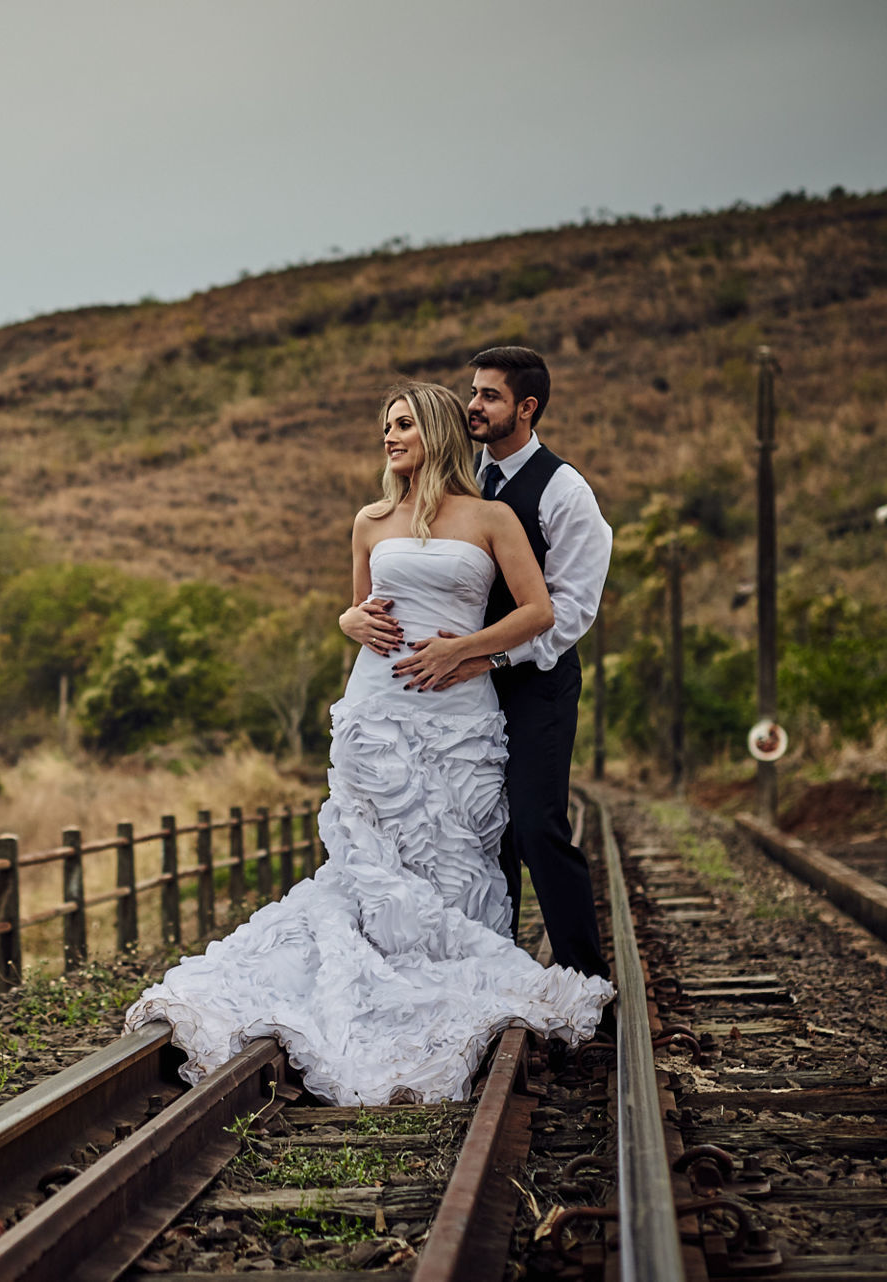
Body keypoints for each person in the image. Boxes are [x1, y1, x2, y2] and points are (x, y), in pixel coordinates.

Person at [125, 382, 612, 1105]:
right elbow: (356, 608)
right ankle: (371, 979)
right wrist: (349, 622)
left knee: (457, 853)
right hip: (378, 708)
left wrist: (467, 650)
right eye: (386, 425)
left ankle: (453, 981)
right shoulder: (369, 519)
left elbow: (540, 611)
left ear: (439, 431)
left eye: (405, 423)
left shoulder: (492, 517)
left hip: (459, 710)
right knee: (374, 858)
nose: (390, 436)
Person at [381, 346, 612, 982]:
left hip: (534, 680)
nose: (472, 405)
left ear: (526, 408)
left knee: (537, 825)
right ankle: (496, 973)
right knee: (481, 832)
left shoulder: (566, 492)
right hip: (454, 688)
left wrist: (487, 654)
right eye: (472, 392)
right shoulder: (457, 479)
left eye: (489, 396)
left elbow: (571, 611)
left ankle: (585, 977)